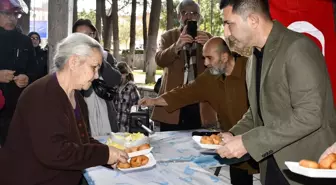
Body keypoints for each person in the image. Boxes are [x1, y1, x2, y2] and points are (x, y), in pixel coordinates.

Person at [217, 0, 336, 185]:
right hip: (272, 163)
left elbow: (310, 115)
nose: (226, 33)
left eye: (229, 24)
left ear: (253, 20)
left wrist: (248, 142)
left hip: (306, 167)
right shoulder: (253, 58)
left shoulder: (297, 48)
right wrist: (234, 134)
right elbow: (258, 110)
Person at [0, 33, 128, 185]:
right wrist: (105, 154)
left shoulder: (78, 98)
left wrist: (112, 155)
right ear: (73, 62)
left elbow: (82, 141)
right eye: (94, 67)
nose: (96, 76)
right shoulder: (41, 95)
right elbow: (54, 153)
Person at [139, 37, 259, 185]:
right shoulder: (209, 78)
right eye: (204, 58)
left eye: (209, 58)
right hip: (231, 141)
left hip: (259, 139)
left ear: (224, 57)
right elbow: (185, 92)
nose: (205, 63)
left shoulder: (252, 69)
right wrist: (155, 101)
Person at [152, 0, 217, 131]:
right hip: (173, 103)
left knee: (198, 145)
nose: (189, 16)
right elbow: (159, 60)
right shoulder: (168, 36)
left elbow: (219, 66)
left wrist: (208, 46)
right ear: (179, 17)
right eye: (184, 13)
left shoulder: (208, 38)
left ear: (198, 17)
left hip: (199, 104)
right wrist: (177, 46)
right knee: (169, 144)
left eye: (193, 13)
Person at [72, 19, 121, 135]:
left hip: (104, 110)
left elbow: (115, 80)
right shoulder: (70, 59)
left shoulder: (104, 56)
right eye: (80, 36)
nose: (85, 39)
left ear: (94, 35)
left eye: (89, 34)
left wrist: (99, 59)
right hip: (79, 110)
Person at [0, 0, 36, 146]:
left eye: (15, 15)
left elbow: (36, 70)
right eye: (6, 14)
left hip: (17, 108)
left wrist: (28, 77)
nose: (11, 18)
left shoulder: (25, 41)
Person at [115, 62, 140, 132]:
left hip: (127, 127)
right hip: (116, 126)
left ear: (126, 74)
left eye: (121, 74)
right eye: (117, 74)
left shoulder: (131, 88)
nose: (119, 77)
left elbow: (137, 106)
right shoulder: (115, 87)